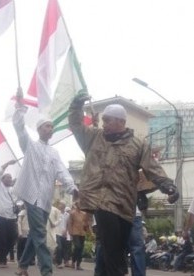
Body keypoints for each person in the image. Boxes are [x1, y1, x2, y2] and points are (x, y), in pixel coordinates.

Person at [68, 94, 179, 276]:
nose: (104, 124)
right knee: (113, 247)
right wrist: (76, 104)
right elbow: (75, 124)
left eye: (108, 120)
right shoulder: (93, 137)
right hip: (99, 200)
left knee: (114, 245)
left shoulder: (137, 145)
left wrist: (168, 186)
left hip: (125, 204)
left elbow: (152, 168)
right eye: (103, 120)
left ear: (121, 122)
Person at [13, 90, 79, 276]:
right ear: (40, 129)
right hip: (30, 196)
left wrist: (72, 187)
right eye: (47, 126)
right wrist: (19, 107)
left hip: (45, 200)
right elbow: (19, 127)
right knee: (41, 235)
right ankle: (46, 271)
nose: (50, 129)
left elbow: (62, 172)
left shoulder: (54, 153)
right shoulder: (29, 146)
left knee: (35, 234)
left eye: (51, 126)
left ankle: (23, 267)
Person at [0, 160, 19, 268]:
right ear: (2, 179)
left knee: (13, 237)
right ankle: (1, 260)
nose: (9, 179)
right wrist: (7, 163)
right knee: (1, 239)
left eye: (10, 177)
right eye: (7, 177)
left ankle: (4, 256)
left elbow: (19, 201)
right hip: (0, 216)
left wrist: (18, 206)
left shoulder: (13, 190)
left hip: (12, 217)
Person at [67, 201, 91, 271]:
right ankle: (73, 261)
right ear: (76, 205)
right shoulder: (72, 213)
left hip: (82, 233)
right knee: (77, 246)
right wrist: (70, 232)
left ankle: (78, 264)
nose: (80, 205)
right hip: (75, 232)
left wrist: (88, 230)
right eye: (79, 204)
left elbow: (86, 223)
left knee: (81, 248)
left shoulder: (84, 214)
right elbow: (69, 223)